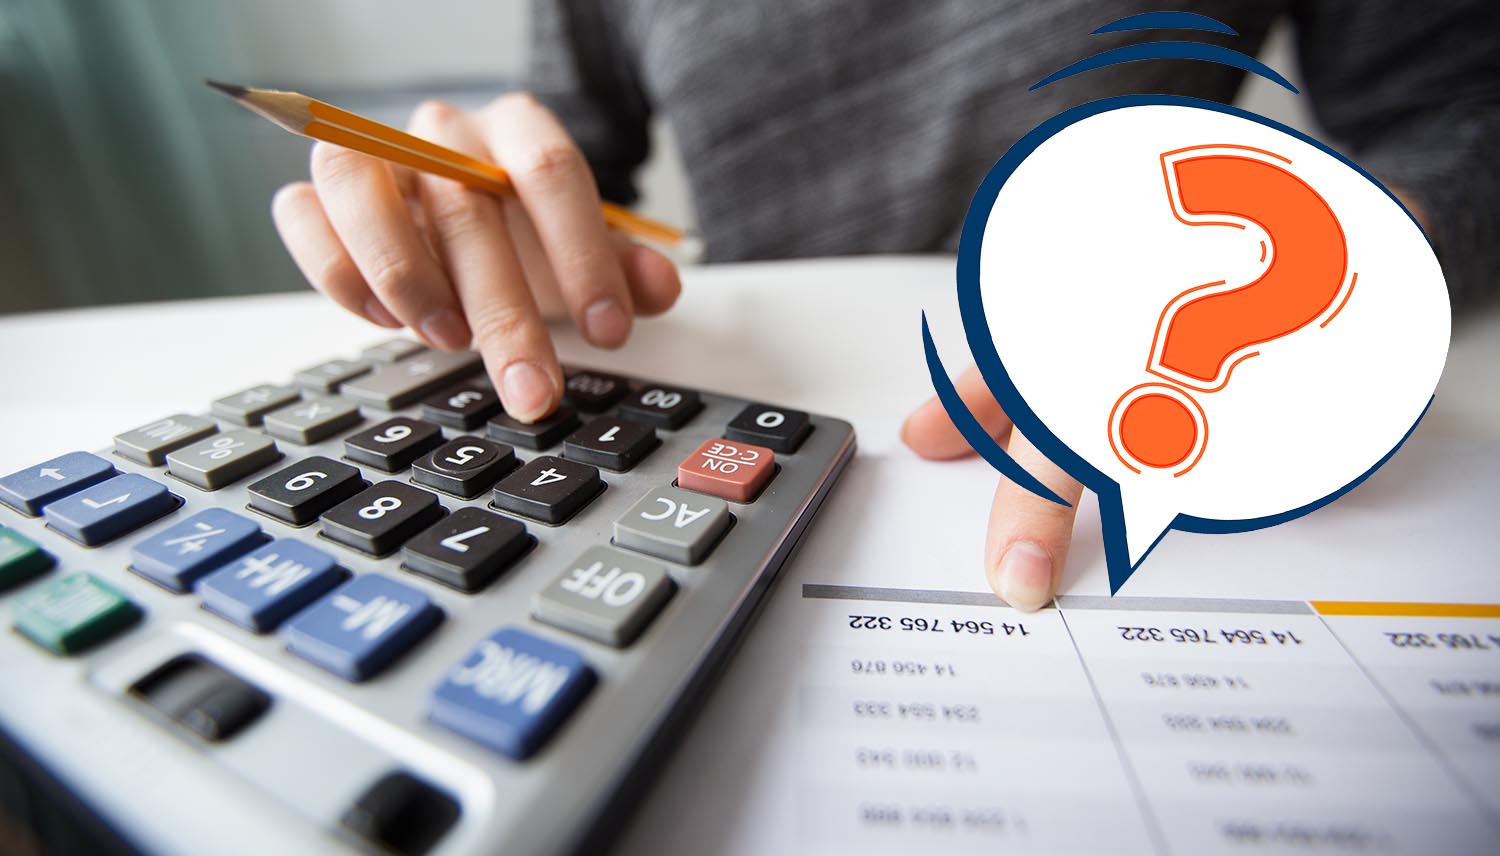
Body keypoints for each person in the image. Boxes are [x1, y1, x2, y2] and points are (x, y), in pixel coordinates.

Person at [269, 1, 1498, 610]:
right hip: (731, 411)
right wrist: (473, 204)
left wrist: (1314, 264)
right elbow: (569, 150)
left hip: (1157, 402)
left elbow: (1461, 111)